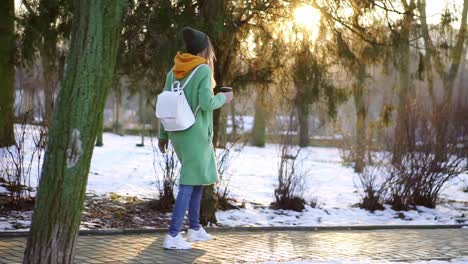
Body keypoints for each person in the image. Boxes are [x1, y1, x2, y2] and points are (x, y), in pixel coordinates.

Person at [159, 27, 234, 250]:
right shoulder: (202, 71)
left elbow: (166, 106)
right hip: (195, 135)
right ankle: (172, 235)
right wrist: (224, 97)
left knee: (198, 179)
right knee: (189, 184)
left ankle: (194, 228)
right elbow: (208, 103)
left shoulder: (173, 72)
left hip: (178, 134)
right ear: (204, 50)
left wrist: (163, 136)